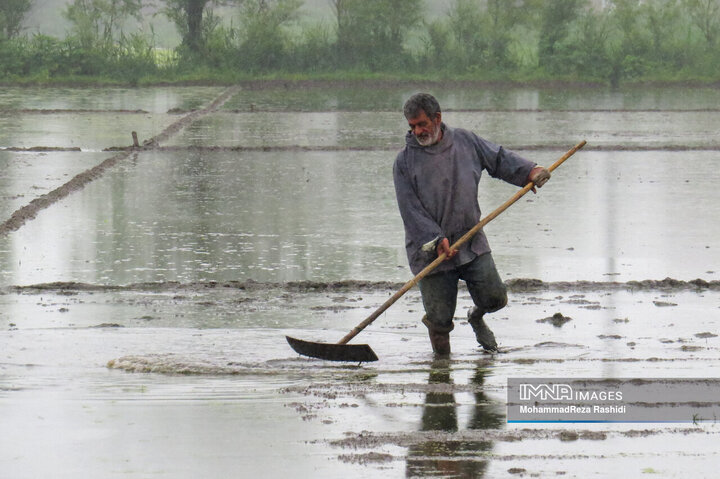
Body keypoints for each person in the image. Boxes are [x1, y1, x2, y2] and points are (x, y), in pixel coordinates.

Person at [393, 93, 550, 356]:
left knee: (495, 298)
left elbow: (498, 158)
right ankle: (441, 374)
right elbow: (410, 211)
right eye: (412, 126)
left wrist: (529, 172)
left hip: (470, 240)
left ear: (437, 118)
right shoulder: (405, 162)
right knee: (440, 321)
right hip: (430, 250)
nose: (417, 131)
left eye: (421, 124)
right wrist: (436, 239)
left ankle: (476, 317)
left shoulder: (466, 141)